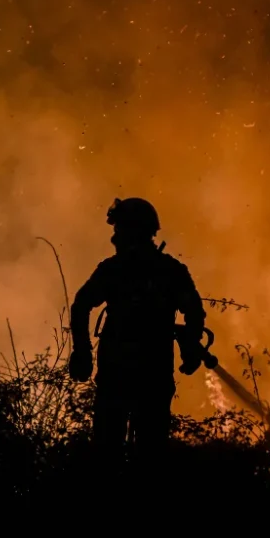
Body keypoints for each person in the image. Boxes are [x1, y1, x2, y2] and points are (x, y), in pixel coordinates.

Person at [68, 197, 207, 471]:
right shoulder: (170, 271)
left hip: (117, 376)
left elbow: (81, 305)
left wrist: (83, 352)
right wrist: (190, 348)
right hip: (152, 376)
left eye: (118, 229)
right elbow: (194, 312)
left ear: (130, 230)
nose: (114, 236)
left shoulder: (114, 269)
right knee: (150, 455)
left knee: (108, 455)